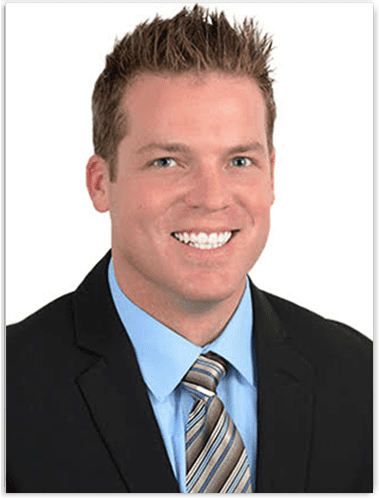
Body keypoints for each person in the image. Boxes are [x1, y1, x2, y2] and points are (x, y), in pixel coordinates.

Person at [6, 5, 373, 495]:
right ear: (100, 184)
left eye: (239, 160)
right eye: (167, 162)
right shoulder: (12, 391)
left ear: (271, 175)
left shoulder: (359, 380)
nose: (212, 197)